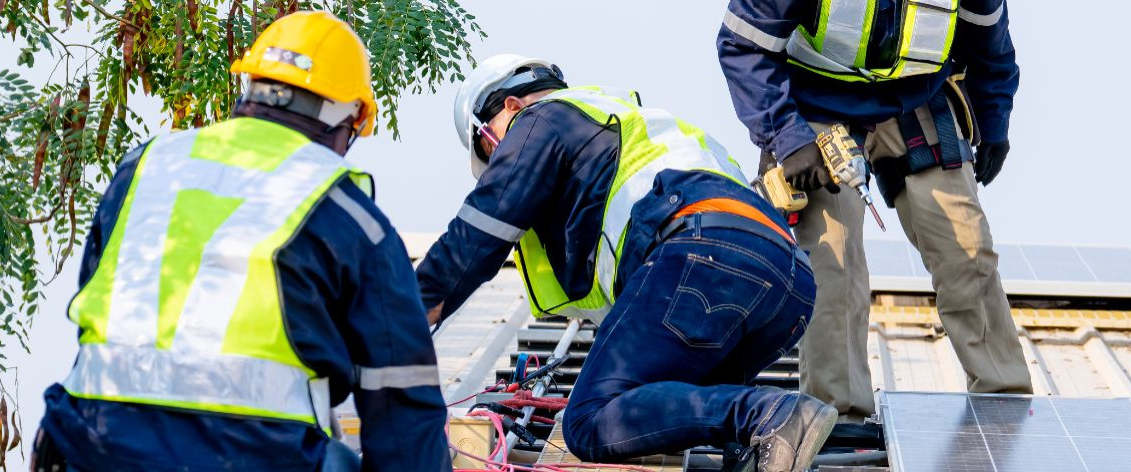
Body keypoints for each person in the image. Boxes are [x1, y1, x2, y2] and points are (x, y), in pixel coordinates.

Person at [32, 11, 445, 471]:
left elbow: (95, 302)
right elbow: (401, 401)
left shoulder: (144, 168)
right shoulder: (349, 215)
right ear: (349, 117)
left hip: (92, 444)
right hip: (250, 456)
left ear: (252, 88)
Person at [417, 54, 832, 471]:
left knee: (590, 418)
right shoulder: (636, 126)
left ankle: (770, 415)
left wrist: (413, 310)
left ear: (511, 105)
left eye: (492, 147)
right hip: (788, 282)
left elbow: (480, 230)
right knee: (671, 410)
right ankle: (767, 429)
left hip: (702, 256)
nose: (500, 163)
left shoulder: (542, 119)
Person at [716, 0, 1032, 423]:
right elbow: (742, 44)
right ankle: (839, 418)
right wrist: (786, 137)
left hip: (918, 99)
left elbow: (990, 46)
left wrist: (994, 123)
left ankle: (1004, 403)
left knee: (966, 247)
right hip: (817, 104)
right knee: (833, 262)